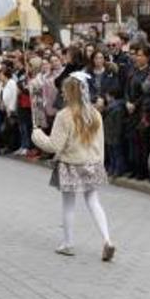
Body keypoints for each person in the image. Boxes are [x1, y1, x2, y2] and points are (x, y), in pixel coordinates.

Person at [32, 74, 116, 261]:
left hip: (71, 164)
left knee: (68, 204)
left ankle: (68, 243)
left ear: (70, 93)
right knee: (94, 202)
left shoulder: (64, 116)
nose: (62, 94)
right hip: (92, 163)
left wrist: (37, 136)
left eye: (64, 91)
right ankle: (107, 240)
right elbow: (101, 143)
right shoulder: (95, 114)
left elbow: (54, 145)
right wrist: (100, 164)